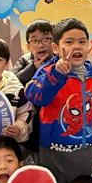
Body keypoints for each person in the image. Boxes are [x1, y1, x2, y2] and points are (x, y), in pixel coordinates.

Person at [24, 18, 92, 183]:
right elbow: (34, 96)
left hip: (85, 152)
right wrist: (56, 75)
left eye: (82, 41)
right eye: (69, 42)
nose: (76, 46)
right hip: (52, 151)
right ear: (56, 48)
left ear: (88, 46)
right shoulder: (48, 71)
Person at [14, 19, 55, 164]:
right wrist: (33, 68)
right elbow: (13, 82)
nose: (41, 44)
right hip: (30, 125)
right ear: (28, 46)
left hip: (52, 126)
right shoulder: (25, 61)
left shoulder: (60, 63)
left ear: (55, 42)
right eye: (35, 41)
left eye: (46, 39)